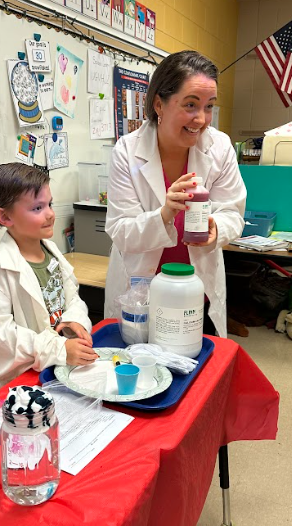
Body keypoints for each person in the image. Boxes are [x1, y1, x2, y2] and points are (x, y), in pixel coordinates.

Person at [105, 50, 247, 337]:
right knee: (144, 368)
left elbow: (233, 212)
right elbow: (120, 230)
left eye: (209, 106)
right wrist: (164, 213)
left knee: (197, 369)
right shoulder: (127, 151)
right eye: (191, 105)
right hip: (142, 292)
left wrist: (215, 228)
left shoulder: (219, 147)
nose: (201, 119)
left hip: (196, 288)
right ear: (159, 103)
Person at [0, 163, 97, 399]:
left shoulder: (52, 252)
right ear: (5, 216)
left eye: (50, 204)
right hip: (20, 386)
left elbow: (71, 298)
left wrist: (72, 321)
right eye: (37, 208)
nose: (50, 214)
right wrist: (57, 348)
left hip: (56, 371)